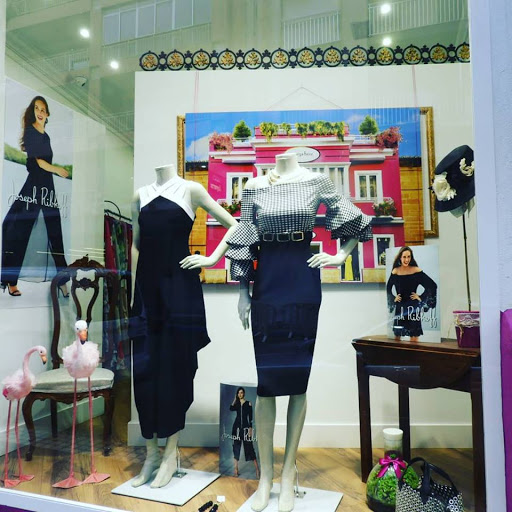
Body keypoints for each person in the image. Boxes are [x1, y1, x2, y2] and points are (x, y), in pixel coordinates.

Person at [226, 153, 372, 512]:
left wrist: (341, 256)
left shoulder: (316, 180)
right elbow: (244, 239)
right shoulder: (254, 186)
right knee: (267, 383)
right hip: (268, 277)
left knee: (297, 380)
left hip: (302, 276)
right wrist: (243, 291)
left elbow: (354, 219)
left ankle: (289, 470)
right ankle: (266, 476)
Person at [130, 163, 237, 489]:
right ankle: (151, 453)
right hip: (146, 293)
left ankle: (170, 453)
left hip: (179, 291)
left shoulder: (191, 190)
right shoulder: (139, 196)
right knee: (144, 371)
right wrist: (133, 292)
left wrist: (211, 259)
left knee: (175, 370)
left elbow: (234, 225)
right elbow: (136, 244)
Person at [1, 96, 69, 297]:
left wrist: (54, 172)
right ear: (33, 112)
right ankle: (11, 281)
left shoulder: (46, 136)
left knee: (55, 232)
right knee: (17, 230)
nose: (40, 112)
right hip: (33, 188)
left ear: (47, 114)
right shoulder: (31, 132)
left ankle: (62, 281)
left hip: (47, 188)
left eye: (43, 109)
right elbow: (38, 162)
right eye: (37, 108)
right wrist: (57, 169)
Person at [386, 246, 437, 341]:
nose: (406, 259)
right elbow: (388, 288)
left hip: (413, 308)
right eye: (404, 257)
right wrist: (393, 298)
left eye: (409, 257)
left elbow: (432, 285)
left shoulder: (416, 270)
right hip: (400, 307)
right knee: (397, 338)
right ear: (400, 257)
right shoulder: (395, 271)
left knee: (414, 338)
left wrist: (420, 297)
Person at [230, 387, 259, 478]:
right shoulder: (237, 404)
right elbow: (231, 408)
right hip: (237, 428)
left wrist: (250, 428)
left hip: (246, 428)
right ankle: (236, 470)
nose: (240, 394)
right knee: (236, 447)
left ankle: (257, 469)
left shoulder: (248, 403)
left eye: (241, 392)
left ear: (244, 393)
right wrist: (235, 399)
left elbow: (250, 417)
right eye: (238, 393)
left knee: (250, 447)